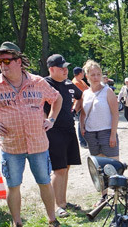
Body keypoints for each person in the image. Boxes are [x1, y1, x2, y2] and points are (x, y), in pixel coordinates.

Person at [0, 41, 62, 227]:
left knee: (45, 182)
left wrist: (52, 119)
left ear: (18, 61)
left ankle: (52, 219)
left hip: (38, 144)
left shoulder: (38, 82)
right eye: (0, 62)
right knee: (13, 185)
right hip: (11, 146)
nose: (3, 65)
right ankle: (17, 223)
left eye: (7, 60)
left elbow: (57, 98)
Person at [43, 54, 83, 217]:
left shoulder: (68, 83)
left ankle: (63, 202)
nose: (65, 71)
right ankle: (56, 206)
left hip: (69, 129)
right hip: (54, 132)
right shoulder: (44, 84)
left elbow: (80, 97)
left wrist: (75, 111)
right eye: (61, 68)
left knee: (66, 168)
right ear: (51, 69)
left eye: (66, 67)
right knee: (58, 169)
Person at [80, 60, 119, 160]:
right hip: (91, 134)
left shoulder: (108, 91)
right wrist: (82, 127)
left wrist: (113, 135)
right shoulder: (85, 93)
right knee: (98, 166)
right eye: (93, 75)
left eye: (98, 74)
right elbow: (83, 113)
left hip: (106, 132)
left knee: (113, 164)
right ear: (87, 76)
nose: (96, 77)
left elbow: (115, 114)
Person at [72, 66, 89, 148]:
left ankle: (85, 140)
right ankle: (82, 142)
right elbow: (83, 93)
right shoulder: (75, 83)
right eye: (83, 72)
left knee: (84, 122)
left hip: (84, 104)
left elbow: (88, 89)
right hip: (78, 106)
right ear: (79, 73)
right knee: (81, 123)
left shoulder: (81, 81)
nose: (84, 74)